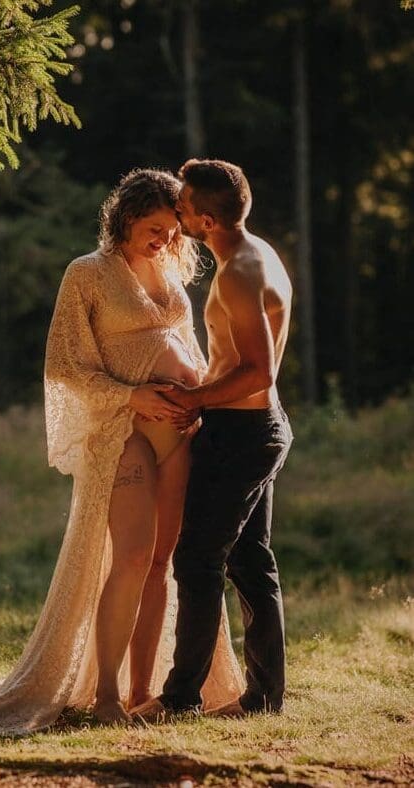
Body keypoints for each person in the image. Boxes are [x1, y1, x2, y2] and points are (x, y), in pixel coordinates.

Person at [0, 168, 243, 733]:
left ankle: (143, 692)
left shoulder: (168, 272)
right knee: (129, 558)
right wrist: (134, 395)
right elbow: (64, 365)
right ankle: (105, 693)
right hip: (122, 431)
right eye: (154, 228)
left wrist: (196, 395)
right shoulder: (87, 274)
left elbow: (184, 345)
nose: (165, 240)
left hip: (179, 430)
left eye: (172, 231)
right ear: (126, 218)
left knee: (162, 564)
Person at [133, 158, 293, 722]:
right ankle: (265, 697)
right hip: (252, 426)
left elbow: (258, 371)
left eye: (182, 207)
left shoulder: (241, 273)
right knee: (251, 561)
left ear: (204, 219)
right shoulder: (257, 252)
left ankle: (178, 700)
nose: (175, 211)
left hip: (244, 432)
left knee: (198, 559)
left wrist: (192, 400)